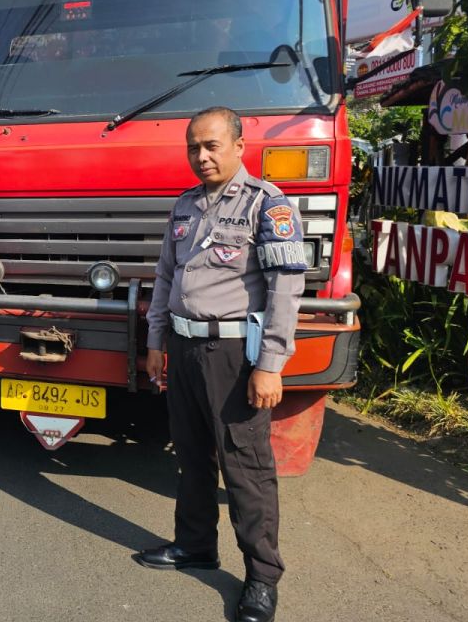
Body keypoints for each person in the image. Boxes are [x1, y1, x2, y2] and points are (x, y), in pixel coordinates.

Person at [136, 107, 307, 622]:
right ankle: (194, 546)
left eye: (211, 145)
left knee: (246, 468)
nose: (202, 156)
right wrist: (156, 341)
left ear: (239, 146)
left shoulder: (268, 206)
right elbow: (166, 276)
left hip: (235, 355)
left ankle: (261, 577)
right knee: (190, 457)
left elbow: (285, 290)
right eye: (194, 147)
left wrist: (270, 363)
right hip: (184, 349)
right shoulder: (185, 206)